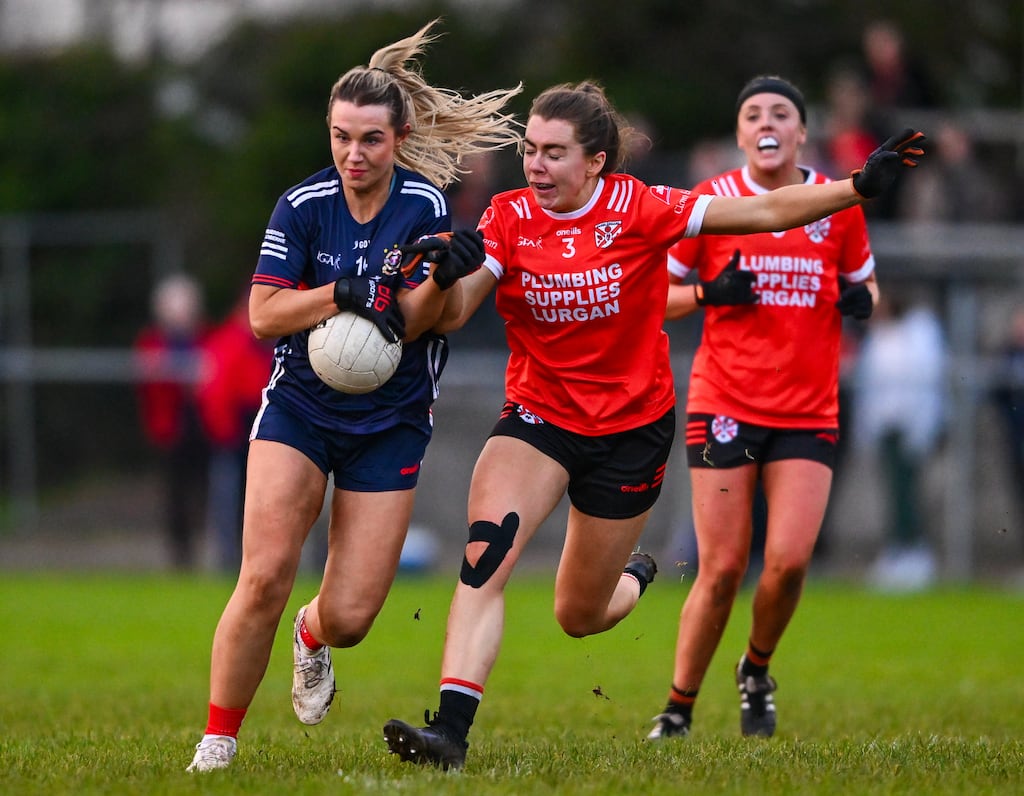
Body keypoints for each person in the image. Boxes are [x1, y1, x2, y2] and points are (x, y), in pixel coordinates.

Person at [381, 79, 925, 769]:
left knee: (579, 615)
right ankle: (450, 735)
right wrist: (441, 277)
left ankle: (633, 578)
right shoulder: (508, 216)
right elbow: (453, 313)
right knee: (486, 557)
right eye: (530, 150)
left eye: (554, 153)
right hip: (539, 417)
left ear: (596, 162)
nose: (536, 166)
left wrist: (855, 188)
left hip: (631, 433)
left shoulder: (640, 206)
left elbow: (764, 211)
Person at [185, 19, 522, 773]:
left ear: (399, 138)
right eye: (341, 137)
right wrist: (340, 292)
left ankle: (311, 635)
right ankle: (217, 741)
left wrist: (445, 275)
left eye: (370, 139)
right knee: (263, 575)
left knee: (352, 616)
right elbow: (264, 314)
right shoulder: (302, 206)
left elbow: (416, 323)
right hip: (300, 410)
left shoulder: (423, 207)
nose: (353, 154)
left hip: (390, 420)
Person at [644, 74, 887, 742]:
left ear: (802, 132)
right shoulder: (712, 201)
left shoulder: (837, 200)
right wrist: (710, 293)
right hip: (725, 401)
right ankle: (678, 707)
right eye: (753, 114)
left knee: (788, 561)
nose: (767, 123)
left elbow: (866, 284)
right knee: (722, 567)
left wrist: (861, 300)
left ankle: (755, 670)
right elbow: (653, 298)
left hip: (808, 409)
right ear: (740, 133)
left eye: (781, 113)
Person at [854, 291, 947, 592]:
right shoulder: (878, 337)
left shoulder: (919, 331)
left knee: (909, 492)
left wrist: (922, 428)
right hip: (886, 427)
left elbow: (926, 379)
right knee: (893, 493)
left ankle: (915, 553)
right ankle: (897, 551)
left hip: (910, 427)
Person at [133, 272, 210, 570]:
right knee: (175, 493)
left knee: (206, 488)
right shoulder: (151, 343)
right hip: (170, 429)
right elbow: (148, 386)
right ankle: (181, 554)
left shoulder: (206, 337)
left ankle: (213, 547)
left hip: (204, 426)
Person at [194, 291, 273, 572]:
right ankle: (229, 558)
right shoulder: (229, 341)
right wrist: (226, 433)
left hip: (266, 431)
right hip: (236, 434)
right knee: (230, 497)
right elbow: (214, 393)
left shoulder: (276, 342)